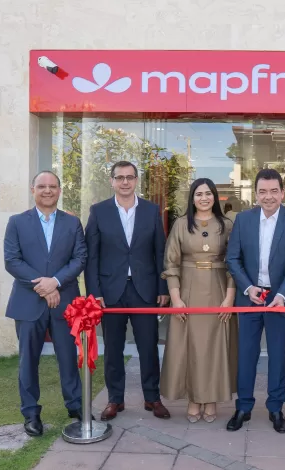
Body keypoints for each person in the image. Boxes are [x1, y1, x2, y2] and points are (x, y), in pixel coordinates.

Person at [84, 161, 171, 421]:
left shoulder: (151, 210)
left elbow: (160, 251)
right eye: (120, 177)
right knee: (113, 348)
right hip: (111, 292)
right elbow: (92, 256)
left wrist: (163, 287)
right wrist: (94, 292)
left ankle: (152, 397)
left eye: (130, 177)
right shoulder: (98, 211)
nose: (125, 182)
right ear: (112, 181)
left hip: (144, 290)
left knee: (148, 347)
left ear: (136, 181)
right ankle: (115, 399)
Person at [3, 170, 87, 437]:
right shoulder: (17, 222)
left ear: (60, 190)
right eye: (42, 186)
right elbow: (12, 260)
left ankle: (75, 406)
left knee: (68, 357)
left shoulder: (72, 223)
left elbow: (79, 258)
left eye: (52, 186)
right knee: (28, 360)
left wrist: (56, 282)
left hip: (64, 301)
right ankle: (30, 413)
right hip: (29, 303)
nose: (47, 190)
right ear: (33, 190)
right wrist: (44, 286)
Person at [225, 168, 285, 433]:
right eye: (263, 191)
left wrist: (282, 294)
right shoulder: (243, 220)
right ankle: (243, 407)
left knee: (277, 355)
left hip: (280, 297)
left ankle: (275, 408)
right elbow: (232, 259)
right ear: (256, 194)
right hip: (250, 296)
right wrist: (247, 287)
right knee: (246, 355)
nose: (268, 196)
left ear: (282, 193)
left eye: (273, 191)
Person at [160, 178, 238, 423]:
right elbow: (171, 263)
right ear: (192, 198)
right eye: (199, 194)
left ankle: (211, 399)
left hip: (218, 290)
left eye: (208, 194)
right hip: (188, 292)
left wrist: (229, 298)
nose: (204, 198)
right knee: (191, 347)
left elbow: (234, 263)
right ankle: (193, 399)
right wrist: (176, 299)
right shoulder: (181, 224)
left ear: (215, 197)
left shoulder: (227, 225)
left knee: (214, 348)